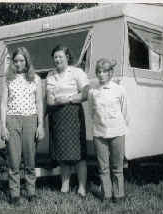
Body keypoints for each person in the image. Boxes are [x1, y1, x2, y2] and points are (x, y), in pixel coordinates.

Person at [0, 47, 45, 205]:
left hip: (30, 120)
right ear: (13, 62)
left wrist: (40, 126)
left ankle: (31, 192)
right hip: (12, 120)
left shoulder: (35, 79)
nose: (19, 64)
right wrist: (3, 126)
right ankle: (15, 194)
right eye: (16, 61)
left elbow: (39, 102)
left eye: (22, 60)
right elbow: (3, 104)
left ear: (27, 61)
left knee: (30, 159)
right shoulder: (8, 79)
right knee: (14, 159)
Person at [46, 45, 89, 197]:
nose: (57, 60)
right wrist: (56, 102)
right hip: (57, 115)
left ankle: (82, 187)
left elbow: (85, 93)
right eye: (55, 57)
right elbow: (50, 99)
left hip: (73, 113)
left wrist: (68, 98)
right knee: (62, 153)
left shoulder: (77, 72)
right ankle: (65, 186)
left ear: (67, 57)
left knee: (79, 154)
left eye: (60, 57)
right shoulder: (51, 75)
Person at [88, 58, 129, 203]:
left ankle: (119, 195)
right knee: (103, 167)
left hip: (117, 132)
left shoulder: (119, 89)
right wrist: (98, 126)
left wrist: (119, 126)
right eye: (98, 71)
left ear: (110, 73)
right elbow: (92, 111)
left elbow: (124, 112)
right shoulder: (93, 91)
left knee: (117, 166)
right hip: (100, 133)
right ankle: (107, 195)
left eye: (104, 71)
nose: (100, 74)